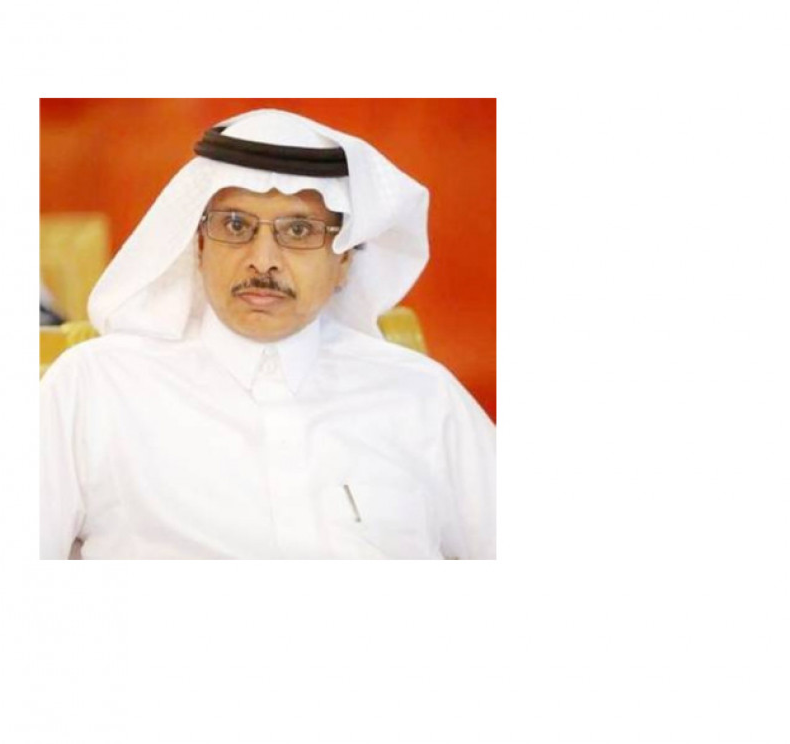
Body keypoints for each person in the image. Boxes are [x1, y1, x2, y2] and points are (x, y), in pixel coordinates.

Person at [39, 108, 496, 559]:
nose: (263, 261)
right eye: (235, 226)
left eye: (299, 230)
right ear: (199, 246)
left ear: (344, 260)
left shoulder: (423, 397)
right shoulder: (97, 385)